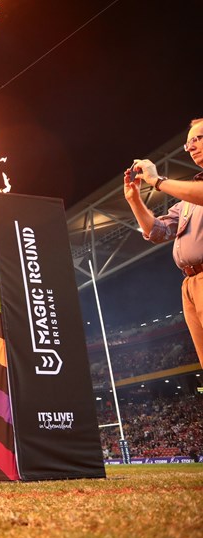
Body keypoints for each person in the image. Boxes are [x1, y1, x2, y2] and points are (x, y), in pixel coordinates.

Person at [124, 118, 203, 363]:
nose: (191, 147)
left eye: (198, 139)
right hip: (190, 284)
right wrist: (134, 200)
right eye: (188, 143)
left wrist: (157, 181)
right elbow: (157, 232)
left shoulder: (193, 194)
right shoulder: (188, 200)